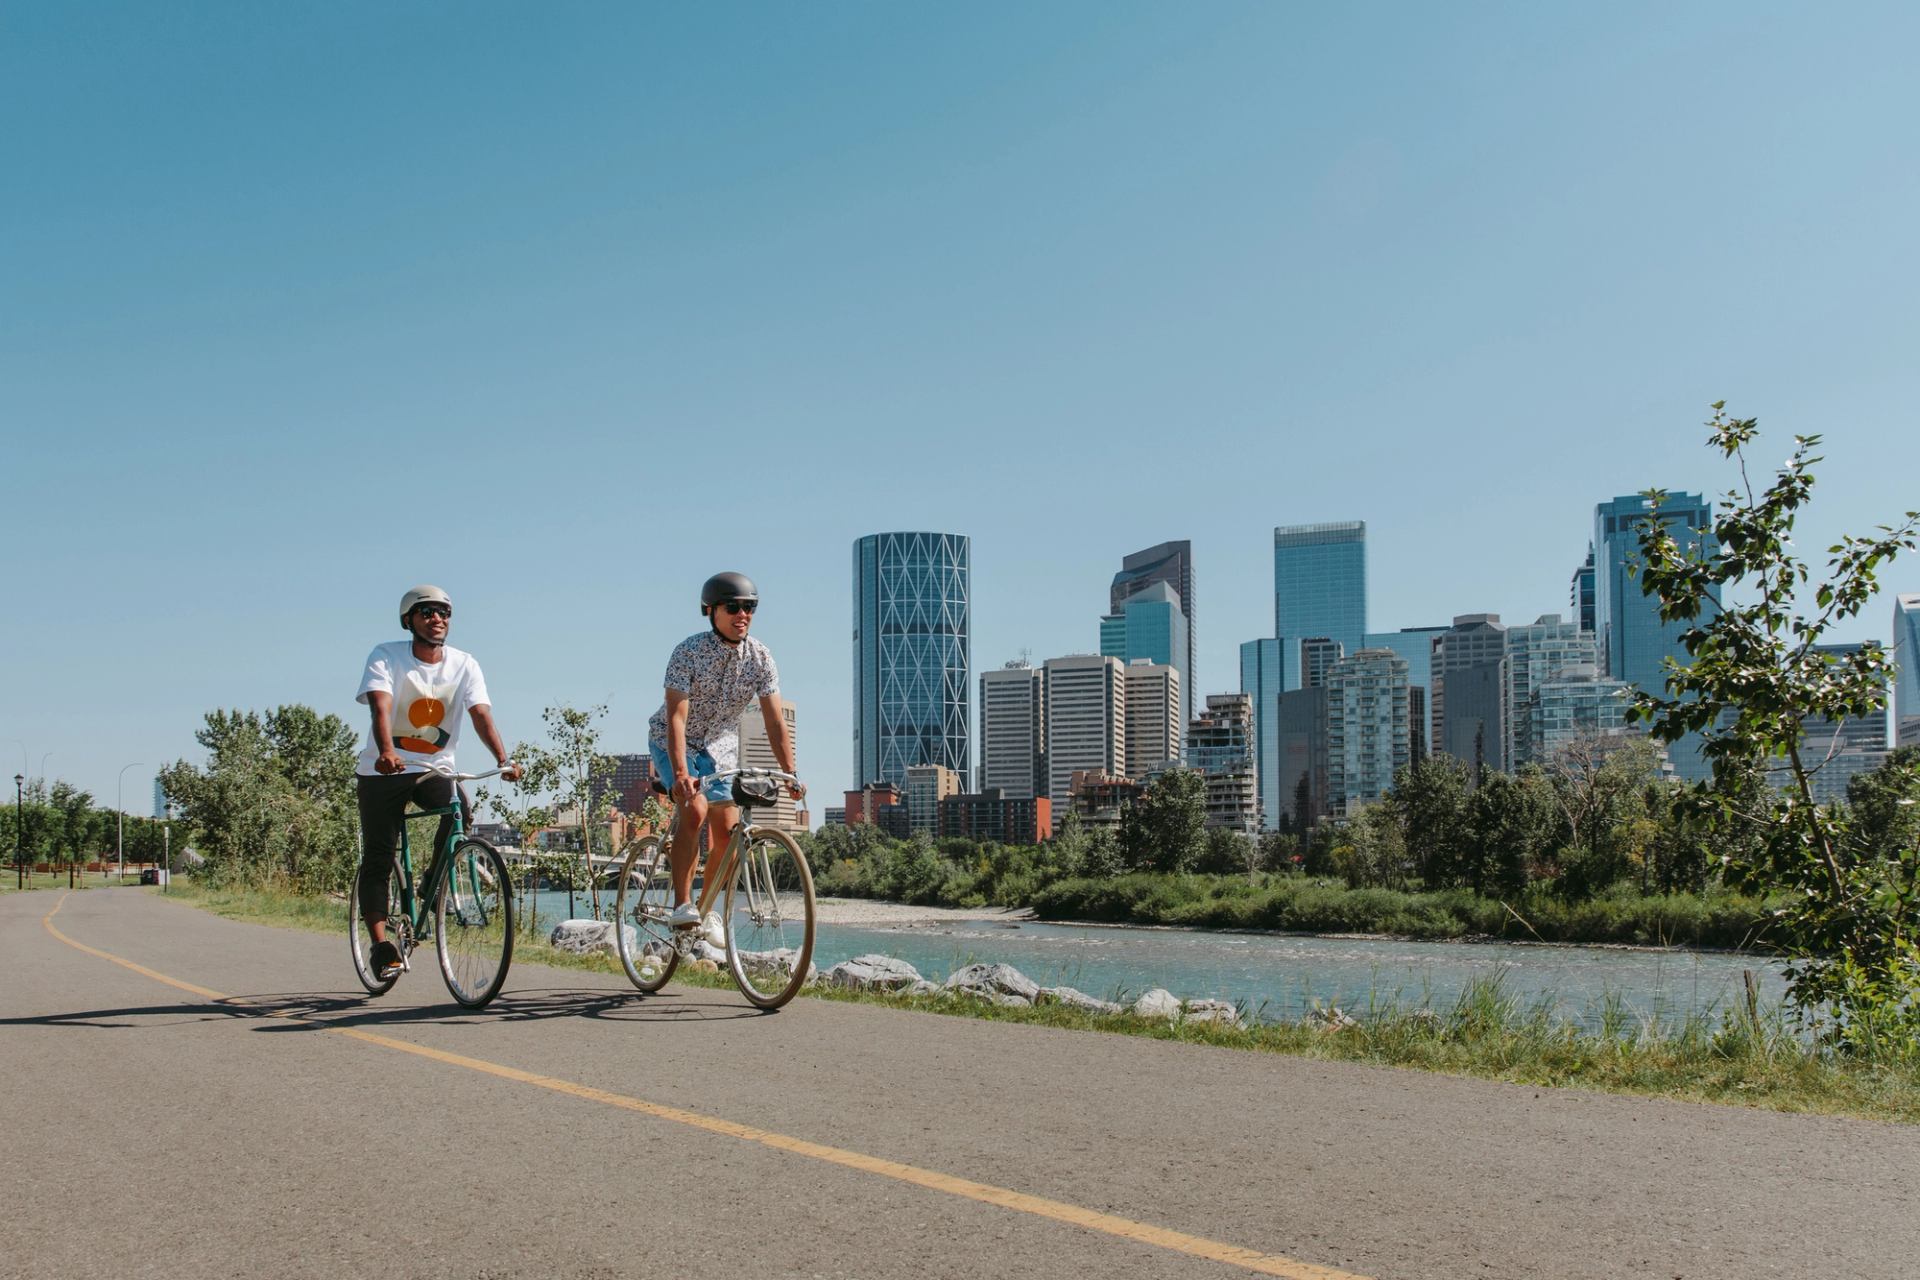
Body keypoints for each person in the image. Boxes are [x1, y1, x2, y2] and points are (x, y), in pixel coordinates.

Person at [354, 585, 521, 980]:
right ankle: (381, 946)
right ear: (408, 620)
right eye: (426, 612)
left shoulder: (465, 664)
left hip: (435, 768)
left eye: (444, 612)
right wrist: (387, 750)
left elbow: (480, 714)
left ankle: (433, 883)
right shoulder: (386, 655)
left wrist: (503, 759)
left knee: (459, 810)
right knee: (379, 856)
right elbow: (381, 705)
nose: (437, 618)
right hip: (384, 770)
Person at [647, 572, 804, 941]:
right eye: (733, 607)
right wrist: (682, 774)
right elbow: (676, 717)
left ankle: (703, 914)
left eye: (749, 607)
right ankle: (682, 906)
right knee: (695, 808)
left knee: (732, 836)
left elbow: (773, 720)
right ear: (710, 610)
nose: (742, 614)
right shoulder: (688, 651)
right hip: (675, 742)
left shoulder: (761, 657)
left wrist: (791, 772)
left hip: (720, 748)